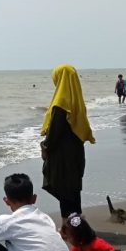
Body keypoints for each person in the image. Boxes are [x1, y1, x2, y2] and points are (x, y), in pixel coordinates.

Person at [41, 64, 95, 219]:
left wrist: (45, 147)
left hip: (62, 153)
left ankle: (68, 225)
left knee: (63, 188)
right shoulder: (77, 101)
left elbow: (54, 132)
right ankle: (76, 221)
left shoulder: (61, 103)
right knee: (72, 188)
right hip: (76, 150)